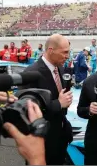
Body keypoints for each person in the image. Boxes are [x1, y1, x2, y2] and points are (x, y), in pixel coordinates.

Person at [21, 34, 73, 165]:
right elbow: (26, 110)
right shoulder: (31, 73)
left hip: (60, 137)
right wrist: (58, 104)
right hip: (42, 141)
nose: (67, 56)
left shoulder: (60, 68)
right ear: (51, 50)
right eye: (65, 52)